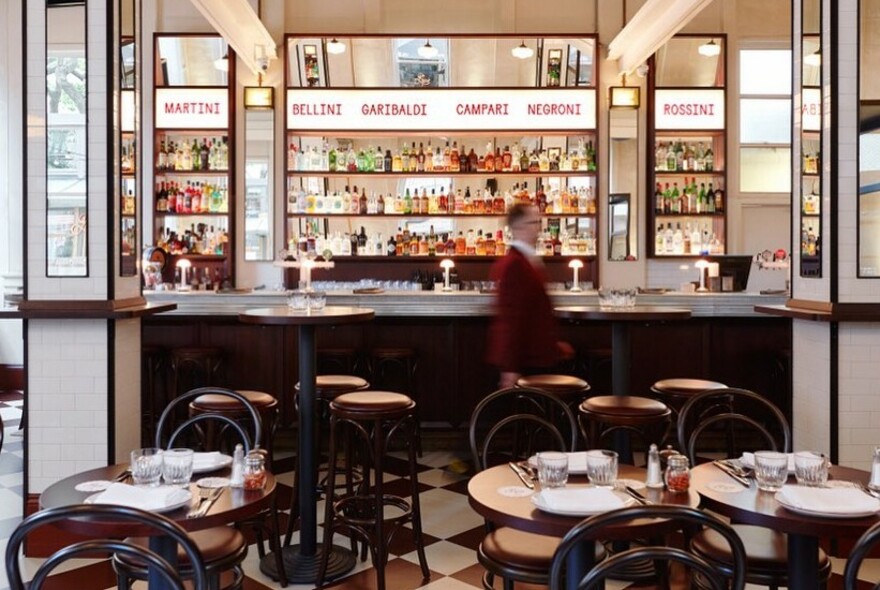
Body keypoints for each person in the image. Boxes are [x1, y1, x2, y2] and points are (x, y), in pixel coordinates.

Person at [486, 203, 572, 388]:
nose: (538, 228)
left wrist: (553, 346)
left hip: (534, 354)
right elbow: (512, 318)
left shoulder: (526, 258)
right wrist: (510, 368)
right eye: (534, 222)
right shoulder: (515, 264)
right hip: (525, 358)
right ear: (518, 227)